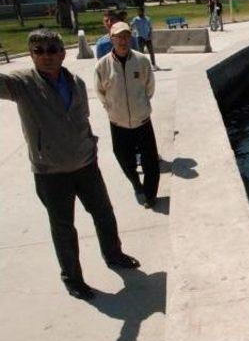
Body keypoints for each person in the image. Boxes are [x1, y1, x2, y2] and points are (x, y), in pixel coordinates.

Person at [0, 29, 140, 301]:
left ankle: (113, 254)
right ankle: (73, 278)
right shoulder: (22, 84)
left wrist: (90, 145)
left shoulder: (75, 81)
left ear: (63, 53)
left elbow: (81, 119)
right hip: (51, 173)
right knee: (64, 228)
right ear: (31, 55)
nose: (46, 56)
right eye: (38, 51)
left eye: (52, 49)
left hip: (86, 164)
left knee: (104, 213)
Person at [95, 22, 160, 209]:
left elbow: (149, 88)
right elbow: (100, 92)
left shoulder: (142, 61)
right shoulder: (103, 65)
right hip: (118, 122)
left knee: (150, 161)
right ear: (111, 38)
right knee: (124, 158)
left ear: (130, 37)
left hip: (142, 120)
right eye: (118, 37)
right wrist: (113, 109)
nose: (122, 40)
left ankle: (150, 195)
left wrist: (141, 105)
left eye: (126, 36)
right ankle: (135, 182)